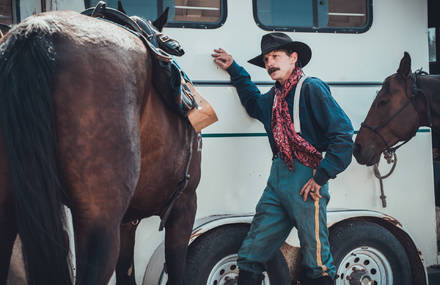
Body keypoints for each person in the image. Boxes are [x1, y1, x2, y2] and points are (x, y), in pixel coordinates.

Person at [211, 32, 353, 285]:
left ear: (293, 58)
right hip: (277, 180)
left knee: (316, 259)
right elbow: (254, 103)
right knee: (252, 252)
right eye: (266, 59)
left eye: (275, 56)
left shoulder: (311, 88)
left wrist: (321, 176)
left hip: (307, 179)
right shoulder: (273, 98)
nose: (269, 64)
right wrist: (234, 69)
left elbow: (342, 135)